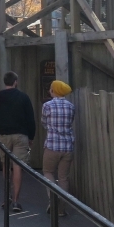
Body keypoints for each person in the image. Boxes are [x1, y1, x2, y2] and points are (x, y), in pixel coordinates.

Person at [0, 71, 36, 212]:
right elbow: (30, 118)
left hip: (4, 135)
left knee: (6, 166)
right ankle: (16, 200)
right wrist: (31, 136)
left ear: (5, 82)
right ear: (15, 82)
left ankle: (6, 197)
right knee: (18, 167)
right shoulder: (23, 97)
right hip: (20, 135)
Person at [41, 79, 75, 216]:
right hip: (67, 146)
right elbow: (70, 122)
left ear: (54, 91)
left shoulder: (47, 106)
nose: (49, 90)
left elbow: (44, 123)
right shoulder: (71, 106)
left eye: (51, 88)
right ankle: (61, 208)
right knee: (63, 178)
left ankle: (53, 199)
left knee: (48, 172)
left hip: (52, 145)